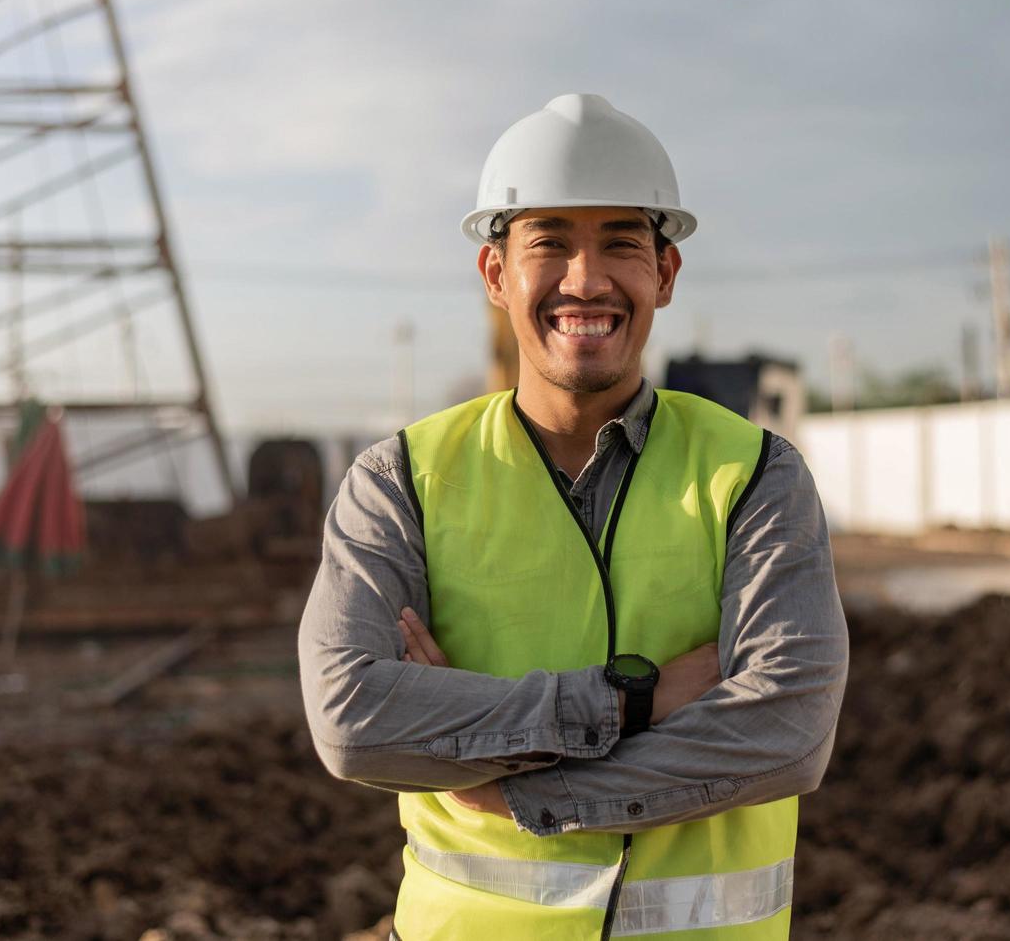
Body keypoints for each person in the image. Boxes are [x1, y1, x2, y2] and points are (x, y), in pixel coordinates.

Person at [299, 94, 848, 940]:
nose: (585, 280)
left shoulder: (756, 478)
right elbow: (353, 719)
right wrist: (635, 702)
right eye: (549, 242)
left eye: (621, 244)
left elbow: (785, 729)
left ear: (664, 274)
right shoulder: (400, 480)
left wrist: (523, 789)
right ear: (496, 275)